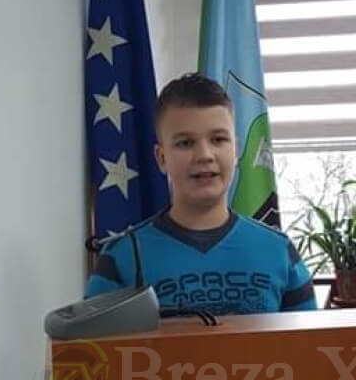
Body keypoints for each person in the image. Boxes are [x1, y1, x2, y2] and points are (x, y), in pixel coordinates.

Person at [84, 73, 317, 315]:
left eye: (218, 139)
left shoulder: (278, 251)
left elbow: (311, 338)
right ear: (162, 158)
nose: (205, 155)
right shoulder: (123, 257)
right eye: (185, 143)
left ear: (236, 150)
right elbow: (92, 339)